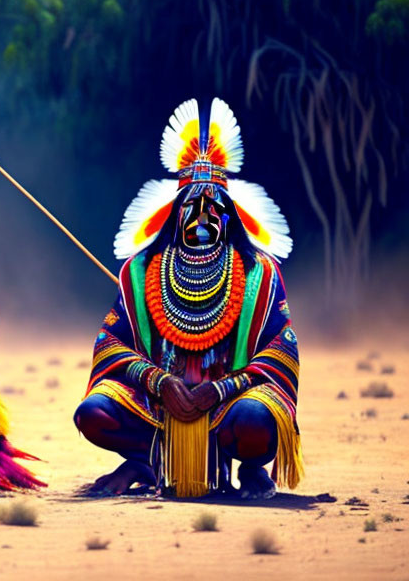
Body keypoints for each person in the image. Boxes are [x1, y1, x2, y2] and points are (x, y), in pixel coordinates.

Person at [74, 98, 303, 499]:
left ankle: (250, 469)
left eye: (215, 208)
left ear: (231, 217)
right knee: (93, 414)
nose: (202, 217)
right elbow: (109, 343)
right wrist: (158, 381)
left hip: (230, 405)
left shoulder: (259, 274)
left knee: (253, 422)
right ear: (173, 214)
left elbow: (281, 350)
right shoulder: (140, 271)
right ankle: (146, 461)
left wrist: (219, 390)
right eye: (191, 207)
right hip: (159, 407)